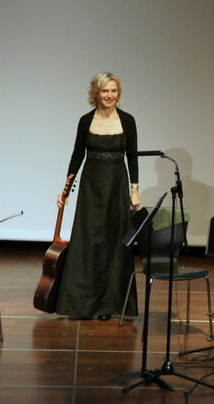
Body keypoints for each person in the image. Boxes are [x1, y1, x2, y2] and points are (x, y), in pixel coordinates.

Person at [55, 72, 141, 320]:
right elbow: (77, 155)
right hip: (91, 186)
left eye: (114, 91)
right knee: (88, 240)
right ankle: (82, 303)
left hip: (117, 185)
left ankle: (108, 304)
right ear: (96, 93)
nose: (110, 95)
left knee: (114, 241)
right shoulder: (85, 121)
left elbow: (132, 157)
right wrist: (65, 190)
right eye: (105, 91)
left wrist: (134, 189)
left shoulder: (128, 120)